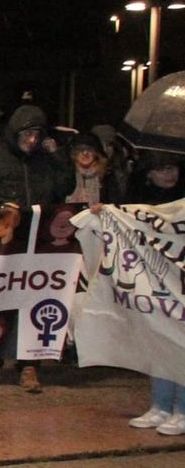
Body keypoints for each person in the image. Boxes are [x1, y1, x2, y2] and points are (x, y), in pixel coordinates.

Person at [0, 104, 71, 392]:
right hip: (0, 243)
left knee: (32, 299)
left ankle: (29, 364)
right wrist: (2, 206)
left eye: (36, 134)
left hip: (35, 243)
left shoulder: (46, 160)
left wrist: (57, 156)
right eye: (26, 134)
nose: (31, 141)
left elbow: (65, 187)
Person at [122, 152, 184, 435]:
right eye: (161, 170)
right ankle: (160, 405)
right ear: (148, 174)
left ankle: (182, 409)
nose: (168, 175)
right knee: (160, 344)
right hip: (156, 283)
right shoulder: (139, 203)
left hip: (179, 282)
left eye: (172, 168)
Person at [67, 132, 121, 207]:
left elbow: (116, 203)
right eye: (80, 149)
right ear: (74, 153)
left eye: (89, 149)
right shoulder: (68, 172)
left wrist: (103, 207)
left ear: (96, 152)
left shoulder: (107, 174)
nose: (85, 153)